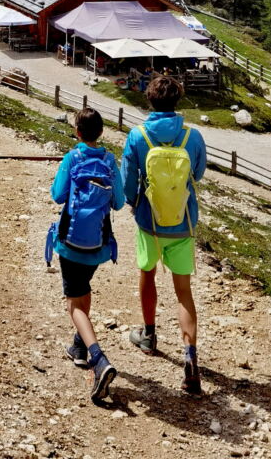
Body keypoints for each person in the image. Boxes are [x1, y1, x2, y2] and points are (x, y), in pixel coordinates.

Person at [120, 73, 207, 395]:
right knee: (184, 291)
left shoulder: (137, 135)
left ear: (150, 99)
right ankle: (191, 358)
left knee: (148, 274)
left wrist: (133, 203)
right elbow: (196, 173)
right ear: (177, 100)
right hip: (182, 221)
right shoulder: (192, 137)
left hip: (149, 220)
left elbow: (128, 181)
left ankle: (149, 335)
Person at [48, 107, 125, 403]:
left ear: (77, 133)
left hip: (70, 242)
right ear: (101, 132)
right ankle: (79, 346)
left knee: (74, 304)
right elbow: (118, 203)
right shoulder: (109, 160)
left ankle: (98, 359)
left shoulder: (73, 157)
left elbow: (57, 195)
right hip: (98, 245)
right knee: (84, 289)